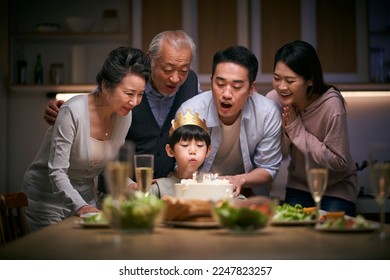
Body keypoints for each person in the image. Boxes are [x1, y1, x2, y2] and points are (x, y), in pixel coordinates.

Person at [21, 47, 151, 231]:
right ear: (106, 86)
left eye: (140, 95)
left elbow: (109, 165)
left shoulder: (124, 116)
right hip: (47, 201)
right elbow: (57, 172)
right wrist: (81, 206)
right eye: (129, 93)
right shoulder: (73, 112)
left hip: (86, 201)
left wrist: (132, 186)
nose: (135, 102)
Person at [43, 30, 200, 181]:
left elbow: (205, 117)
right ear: (150, 60)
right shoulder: (126, 83)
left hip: (166, 188)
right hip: (120, 188)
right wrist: (62, 111)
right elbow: (91, 108)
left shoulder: (192, 83)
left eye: (183, 70)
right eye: (167, 69)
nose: (175, 78)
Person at [176, 45, 283, 197]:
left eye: (237, 86)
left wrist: (239, 180)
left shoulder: (267, 113)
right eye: (220, 84)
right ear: (211, 81)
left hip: (249, 194)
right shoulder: (191, 112)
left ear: (251, 88)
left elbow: (268, 168)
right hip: (198, 193)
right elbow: (182, 166)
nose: (226, 94)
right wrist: (214, 184)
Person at [266, 40, 357, 216]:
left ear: (310, 80)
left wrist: (295, 130)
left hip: (335, 189)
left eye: (290, 80)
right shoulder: (274, 100)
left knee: (334, 238)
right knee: (294, 239)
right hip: (299, 187)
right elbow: (282, 154)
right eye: (277, 78)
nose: (281, 87)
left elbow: (340, 162)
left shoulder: (331, 105)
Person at [149, 109, 211, 198]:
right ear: (170, 150)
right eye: (185, 145)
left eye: (199, 145)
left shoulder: (212, 184)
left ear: (208, 151)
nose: (193, 151)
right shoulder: (159, 188)